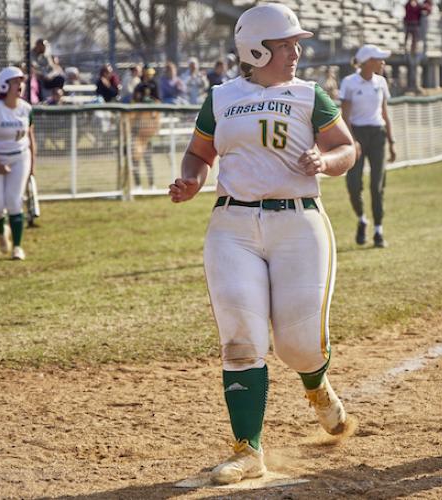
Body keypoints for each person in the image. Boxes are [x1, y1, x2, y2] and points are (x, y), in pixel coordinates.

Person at [168, 3, 356, 485]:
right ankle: (247, 449)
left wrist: (326, 161)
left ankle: (316, 385)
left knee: (299, 346)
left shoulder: (310, 94)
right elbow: (198, 153)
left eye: (296, 43)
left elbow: (346, 147)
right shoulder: (221, 97)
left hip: (298, 223)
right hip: (232, 226)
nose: (296, 51)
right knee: (240, 340)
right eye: (286, 43)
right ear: (256, 49)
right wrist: (190, 179)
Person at [340, 44, 396, 248]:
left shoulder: (381, 82)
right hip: (357, 135)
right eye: (379, 59)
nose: (383, 63)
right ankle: (362, 219)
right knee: (354, 184)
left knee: (377, 185)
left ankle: (378, 230)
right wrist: (352, 141)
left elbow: (384, 114)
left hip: (378, 135)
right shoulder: (349, 82)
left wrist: (391, 142)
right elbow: (344, 117)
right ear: (367, 62)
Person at [0, 67, 36, 261]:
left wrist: (33, 166)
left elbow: (30, 137)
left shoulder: (26, 108)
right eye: (15, 82)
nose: (20, 85)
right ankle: (2, 231)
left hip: (20, 157)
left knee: (13, 200)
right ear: (4, 85)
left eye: (21, 81)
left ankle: (17, 247)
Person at [129, 84, 161, 190]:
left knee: (148, 161)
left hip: (146, 138)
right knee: (135, 161)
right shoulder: (135, 107)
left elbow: (156, 125)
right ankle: (138, 185)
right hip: (137, 137)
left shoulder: (153, 110)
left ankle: (152, 185)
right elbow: (131, 123)